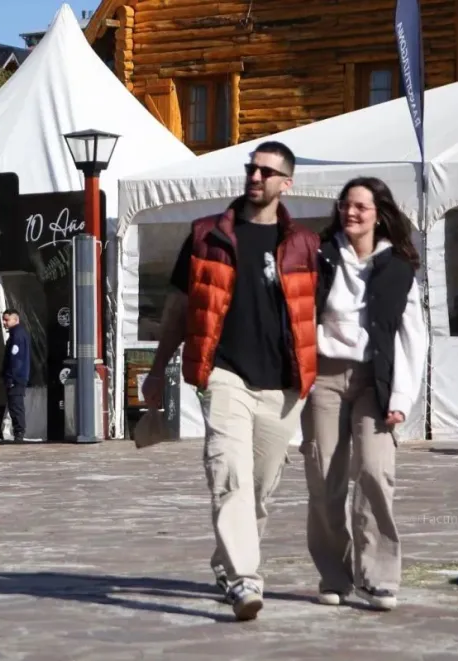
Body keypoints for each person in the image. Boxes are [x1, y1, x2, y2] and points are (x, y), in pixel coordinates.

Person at [140, 141, 321, 622]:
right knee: (229, 476)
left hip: (283, 383)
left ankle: (225, 562)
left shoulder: (305, 244)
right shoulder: (206, 236)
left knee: (259, 488)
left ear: (287, 183)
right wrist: (159, 367)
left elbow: (320, 314)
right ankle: (245, 579)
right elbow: (178, 307)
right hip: (223, 374)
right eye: (252, 168)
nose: (256, 176)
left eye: (267, 171)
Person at [303, 177, 426, 612]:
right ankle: (334, 575)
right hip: (326, 376)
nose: (351, 213)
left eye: (360, 207)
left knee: (375, 471)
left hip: (377, 381)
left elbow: (414, 335)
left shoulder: (398, 267)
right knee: (324, 477)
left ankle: (378, 577)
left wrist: (402, 398)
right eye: (346, 205)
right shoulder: (318, 256)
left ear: (379, 213)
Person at [1, 309, 30, 442]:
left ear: (15, 319)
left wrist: (12, 377)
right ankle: (18, 432)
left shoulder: (17, 335)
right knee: (14, 405)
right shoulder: (16, 334)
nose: (4, 323)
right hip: (16, 376)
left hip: (16, 377)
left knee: (16, 405)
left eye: (7, 320)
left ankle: (19, 433)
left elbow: (16, 358)